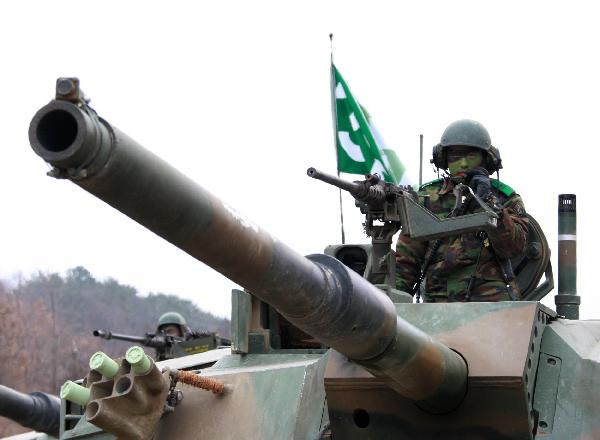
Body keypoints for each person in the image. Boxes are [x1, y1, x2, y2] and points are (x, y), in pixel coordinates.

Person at [395, 119, 529, 302]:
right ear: (443, 159)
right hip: (437, 307)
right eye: (456, 156)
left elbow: (514, 247)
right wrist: (392, 306)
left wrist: (488, 201)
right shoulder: (426, 199)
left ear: (486, 159)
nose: (464, 164)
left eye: (471, 156)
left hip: (491, 306)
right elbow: (406, 262)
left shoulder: (505, 198)